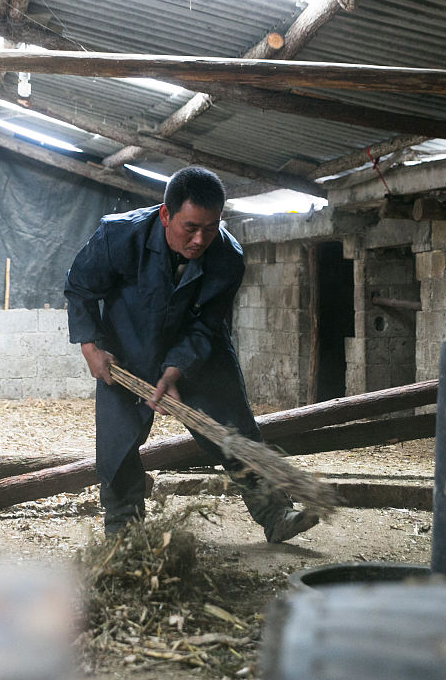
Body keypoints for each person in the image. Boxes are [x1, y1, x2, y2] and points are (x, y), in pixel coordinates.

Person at [65, 166, 320, 542]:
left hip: (199, 352)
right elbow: (80, 288)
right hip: (127, 353)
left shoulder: (227, 257)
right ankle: (124, 532)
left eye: (212, 226)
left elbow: (206, 325)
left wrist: (175, 369)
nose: (201, 238)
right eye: (190, 227)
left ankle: (275, 512)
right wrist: (91, 346)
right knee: (117, 447)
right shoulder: (119, 235)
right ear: (166, 214)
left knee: (233, 432)